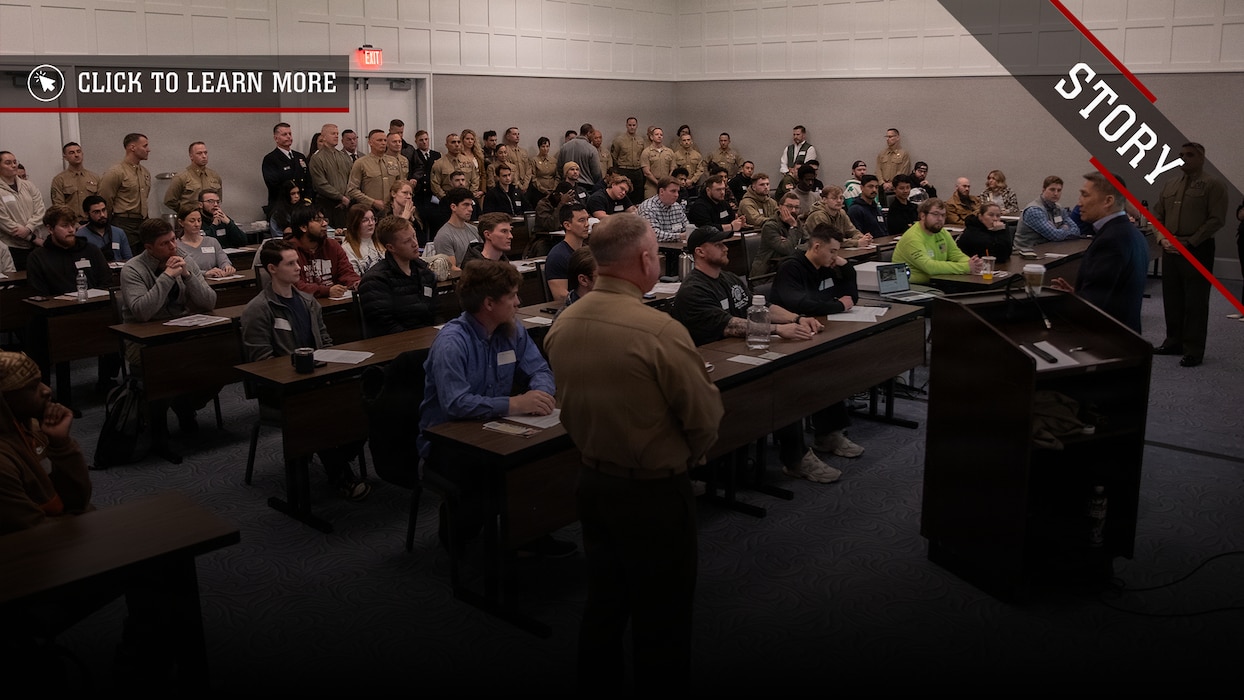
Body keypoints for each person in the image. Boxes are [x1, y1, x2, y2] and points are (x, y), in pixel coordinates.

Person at [544, 213, 722, 692]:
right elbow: (705, 418)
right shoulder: (658, 330)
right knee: (663, 614)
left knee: (605, 601)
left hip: (592, 482)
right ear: (646, 260)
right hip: (654, 492)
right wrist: (689, 457)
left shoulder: (563, 324)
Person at [417, 259, 569, 556]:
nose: (518, 302)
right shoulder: (452, 342)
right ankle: (464, 532)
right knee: (496, 473)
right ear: (489, 303)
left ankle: (531, 531)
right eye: (511, 296)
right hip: (448, 442)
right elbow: (456, 404)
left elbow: (540, 369)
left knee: (545, 456)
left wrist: (540, 392)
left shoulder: (512, 330)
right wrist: (514, 403)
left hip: (494, 426)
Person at [241, 241, 370, 500]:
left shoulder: (307, 301)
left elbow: (325, 341)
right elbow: (261, 363)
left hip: (317, 378)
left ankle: (332, 450)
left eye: (297, 262)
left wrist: (335, 365)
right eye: (290, 264)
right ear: (272, 269)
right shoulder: (258, 309)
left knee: (363, 398)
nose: (298, 268)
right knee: (318, 411)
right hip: (281, 389)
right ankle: (340, 475)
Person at [768, 224, 869, 470]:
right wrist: (837, 305)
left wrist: (847, 269)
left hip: (815, 330)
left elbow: (851, 297)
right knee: (814, 372)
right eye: (832, 251)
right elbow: (803, 303)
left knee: (829, 367)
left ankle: (829, 434)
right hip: (786, 337)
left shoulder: (826, 266)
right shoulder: (792, 267)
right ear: (816, 247)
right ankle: (808, 445)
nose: (836, 257)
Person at [119, 217, 219, 437]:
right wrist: (167, 276)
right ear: (149, 247)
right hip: (143, 340)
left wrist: (187, 275)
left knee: (220, 357)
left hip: (181, 331)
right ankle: (165, 423)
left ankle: (185, 404)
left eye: (174, 239)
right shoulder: (133, 269)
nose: (173, 246)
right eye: (165, 243)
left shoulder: (183, 257)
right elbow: (142, 312)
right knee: (167, 363)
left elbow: (209, 302)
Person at [1152, 142, 1227, 367]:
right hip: (1170, 248)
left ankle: (1193, 349)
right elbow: (1157, 214)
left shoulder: (1214, 185)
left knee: (1196, 302)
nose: (1184, 158)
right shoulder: (1170, 184)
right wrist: (1162, 238)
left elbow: (1216, 219)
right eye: (1181, 154)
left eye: (1190, 155)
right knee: (1172, 298)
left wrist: (1191, 242)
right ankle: (1173, 342)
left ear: (1201, 158)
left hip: (1197, 249)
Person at [0, 350, 92, 534]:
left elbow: (77, 501)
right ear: (4, 401)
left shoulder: (33, 429)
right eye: (32, 387)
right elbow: (35, 533)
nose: (47, 390)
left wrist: (61, 444)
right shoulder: (2, 463)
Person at [1049, 172, 1149, 334]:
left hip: (1107, 338)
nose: (1079, 202)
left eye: (1085, 195)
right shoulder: (1132, 233)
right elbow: (1111, 292)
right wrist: (1077, 294)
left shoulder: (1111, 240)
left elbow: (1094, 306)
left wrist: (1059, 305)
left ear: (1108, 201)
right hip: (1125, 335)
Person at [358, 215, 437, 337]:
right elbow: (384, 326)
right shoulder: (375, 281)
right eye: (407, 241)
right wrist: (417, 339)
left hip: (427, 337)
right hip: (397, 343)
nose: (415, 244)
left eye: (414, 236)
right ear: (391, 247)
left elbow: (436, 312)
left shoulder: (425, 272)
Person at [892, 198, 984, 283]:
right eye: (935, 214)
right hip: (913, 285)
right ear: (923, 216)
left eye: (943, 215)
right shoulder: (912, 238)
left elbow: (955, 255)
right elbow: (929, 267)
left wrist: (974, 264)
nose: (940, 219)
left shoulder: (942, 232)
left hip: (937, 280)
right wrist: (966, 267)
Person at [26, 205, 110, 297]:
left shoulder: (91, 250)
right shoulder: (38, 257)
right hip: (57, 305)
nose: (71, 230)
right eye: (65, 226)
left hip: (94, 303)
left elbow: (107, 282)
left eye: (73, 225)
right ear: (50, 229)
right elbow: (38, 294)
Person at [286, 207, 360, 298]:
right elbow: (294, 285)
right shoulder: (289, 251)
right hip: (304, 303)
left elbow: (346, 272)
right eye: (318, 220)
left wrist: (356, 283)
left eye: (325, 219)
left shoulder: (332, 245)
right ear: (303, 227)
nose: (325, 224)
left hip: (336, 302)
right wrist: (326, 291)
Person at [97, 133, 151, 249]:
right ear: (132, 147)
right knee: (127, 256)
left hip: (142, 222)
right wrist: (107, 224)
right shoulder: (116, 172)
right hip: (123, 222)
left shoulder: (144, 172)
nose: (148, 150)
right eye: (145, 146)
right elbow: (105, 200)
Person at [1013, 176, 1081, 248]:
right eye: (1052, 190)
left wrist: (1058, 230)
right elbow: (1055, 236)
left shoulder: (1059, 208)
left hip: (1049, 249)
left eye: (1059, 190)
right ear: (1043, 190)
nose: (1056, 193)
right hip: (1026, 251)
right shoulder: (1034, 210)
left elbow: (1076, 230)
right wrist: (1064, 228)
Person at [308, 123, 354, 228]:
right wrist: (340, 197)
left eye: (337, 133)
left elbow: (352, 178)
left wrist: (347, 196)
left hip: (345, 204)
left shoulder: (343, 156)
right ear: (324, 137)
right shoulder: (317, 158)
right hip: (327, 204)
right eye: (333, 133)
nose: (336, 136)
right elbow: (320, 184)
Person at [347, 129, 405, 211]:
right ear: (370, 142)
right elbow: (352, 190)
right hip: (370, 210)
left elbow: (401, 186)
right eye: (379, 140)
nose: (383, 143)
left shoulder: (394, 161)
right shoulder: (361, 163)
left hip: (392, 209)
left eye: (385, 140)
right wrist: (372, 202)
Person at [752, 191, 805, 278]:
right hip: (768, 273)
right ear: (780, 207)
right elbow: (787, 250)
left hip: (789, 268)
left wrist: (794, 245)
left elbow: (810, 244)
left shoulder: (797, 222)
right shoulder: (770, 226)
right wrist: (793, 227)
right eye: (789, 206)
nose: (793, 210)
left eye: (796, 207)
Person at [261, 122, 311, 214]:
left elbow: (308, 180)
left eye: (290, 134)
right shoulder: (271, 159)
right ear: (276, 138)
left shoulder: (299, 156)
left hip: (301, 205)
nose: (288, 137)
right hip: (282, 207)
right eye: (284, 134)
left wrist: (307, 199)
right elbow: (273, 185)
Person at [545, 202, 589, 302]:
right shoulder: (557, 256)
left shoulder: (588, 251)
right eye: (581, 220)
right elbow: (560, 295)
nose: (587, 224)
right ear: (567, 225)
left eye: (587, 219)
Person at [804, 185, 872, 249]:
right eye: (834, 198)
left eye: (841, 198)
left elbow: (852, 231)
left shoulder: (841, 212)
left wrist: (863, 238)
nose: (839, 201)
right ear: (824, 200)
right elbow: (829, 240)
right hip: (814, 250)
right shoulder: (818, 215)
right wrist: (856, 243)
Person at [175, 205, 234, 278]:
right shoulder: (176, 246)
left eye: (199, 220)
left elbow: (223, 260)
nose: (197, 224)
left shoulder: (212, 242)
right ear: (181, 222)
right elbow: (182, 270)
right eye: (192, 221)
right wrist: (205, 273)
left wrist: (227, 267)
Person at [164, 142, 222, 215]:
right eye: (199, 153)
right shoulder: (181, 177)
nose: (204, 156)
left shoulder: (214, 176)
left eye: (205, 153)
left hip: (210, 218)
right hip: (190, 218)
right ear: (191, 156)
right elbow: (169, 200)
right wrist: (186, 212)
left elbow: (219, 199)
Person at [432, 188, 480, 269]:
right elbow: (452, 269)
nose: (471, 209)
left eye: (471, 205)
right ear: (453, 207)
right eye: (466, 205)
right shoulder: (444, 236)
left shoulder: (474, 230)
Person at [49, 142, 100, 219]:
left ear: (82, 154)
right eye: (71, 153)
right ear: (65, 157)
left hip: (92, 221)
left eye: (78, 151)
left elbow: (100, 203)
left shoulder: (94, 177)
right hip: (71, 222)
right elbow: (58, 206)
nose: (76, 155)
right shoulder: (59, 180)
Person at [76, 195, 133, 262]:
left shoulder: (119, 233)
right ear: (87, 214)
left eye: (103, 210)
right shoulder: (80, 236)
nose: (102, 215)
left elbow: (129, 259)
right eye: (96, 212)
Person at [636, 178, 691, 242]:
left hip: (678, 245)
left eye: (677, 191)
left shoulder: (677, 206)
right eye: (673, 191)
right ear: (661, 191)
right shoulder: (648, 208)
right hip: (655, 246)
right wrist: (680, 236)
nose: (677, 195)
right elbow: (653, 234)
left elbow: (687, 228)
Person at [610, 117, 646, 205]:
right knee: (624, 193)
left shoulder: (641, 140)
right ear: (626, 126)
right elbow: (614, 156)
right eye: (630, 125)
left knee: (638, 193)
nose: (632, 127)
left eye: (634, 125)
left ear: (637, 126)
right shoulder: (619, 140)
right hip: (624, 169)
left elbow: (643, 155)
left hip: (637, 170)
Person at [341, 204, 382, 276]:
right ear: (354, 223)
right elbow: (354, 278)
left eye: (373, 219)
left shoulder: (381, 241)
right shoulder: (347, 249)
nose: (371, 223)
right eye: (365, 220)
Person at [558, 123, 603, 189]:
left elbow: (559, 167)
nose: (593, 137)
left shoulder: (564, 147)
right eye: (593, 134)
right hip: (586, 186)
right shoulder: (591, 149)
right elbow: (596, 172)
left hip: (567, 184)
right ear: (588, 133)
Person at [847, 175, 888, 240]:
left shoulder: (876, 208)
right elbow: (856, 235)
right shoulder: (855, 210)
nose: (874, 190)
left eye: (876, 187)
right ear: (861, 188)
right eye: (870, 187)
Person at [640, 126, 676, 198]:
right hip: (651, 186)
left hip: (666, 185)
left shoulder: (669, 152)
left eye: (661, 135)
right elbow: (646, 172)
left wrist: (667, 182)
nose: (659, 136)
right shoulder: (646, 152)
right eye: (657, 134)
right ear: (651, 137)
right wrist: (658, 183)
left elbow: (673, 168)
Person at [876, 128, 912, 194]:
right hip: (882, 187)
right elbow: (878, 170)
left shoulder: (904, 154)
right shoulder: (882, 154)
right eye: (887, 137)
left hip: (897, 188)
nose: (887, 139)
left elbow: (903, 171)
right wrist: (882, 183)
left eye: (890, 137)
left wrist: (892, 184)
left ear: (897, 138)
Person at [530, 136, 559, 203]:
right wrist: (543, 190)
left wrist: (554, 188)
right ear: (539, 147)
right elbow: (533, 178)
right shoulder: (534, 160)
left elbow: (557, 176)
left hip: (552, 190)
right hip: (539, 191)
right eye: (543, 146)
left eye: (547, 146)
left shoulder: (554, 160)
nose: (545, 149)